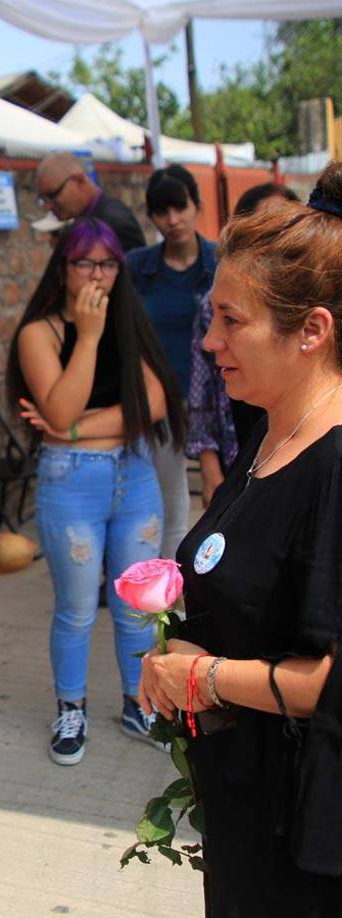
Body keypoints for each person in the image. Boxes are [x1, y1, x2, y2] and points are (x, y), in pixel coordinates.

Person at [139, 163, 342, 915]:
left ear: (311, 330)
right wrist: (170, 657)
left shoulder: (334, 465)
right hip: (243, 803)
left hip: (299, 837)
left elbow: (328, 680)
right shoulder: (268, 431)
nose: (208, 342)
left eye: (231, 320)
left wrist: (205, 678)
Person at [7, 217, 186, 765]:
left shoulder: (130, 320)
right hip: (71, 483)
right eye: (84, 262)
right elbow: (57, 407)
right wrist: (86, 338)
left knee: (136, 606)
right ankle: (72, 707)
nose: (97, 275)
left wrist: (76, 427)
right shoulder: (40, 333)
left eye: (108, 264)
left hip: (133, 477)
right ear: (62, 269)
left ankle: (138, 701)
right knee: (79, 608)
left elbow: (153, 405)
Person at [188, 183, 299, 506]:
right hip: (238, 442)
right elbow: (202, 391)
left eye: (284, 225)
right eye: (261, 227)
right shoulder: (215, 302)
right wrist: (210, 468)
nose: (214, 341)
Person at [127, 165, 206, 558]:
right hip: (161, 400)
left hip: (217, 397)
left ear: (197, 205)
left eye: (180, 207)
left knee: (225, 491)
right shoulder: (138, 268)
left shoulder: (220, 263)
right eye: (161, 211)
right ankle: (168, 597)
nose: (172, 220)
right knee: (170, 504)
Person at [35, 152, 146, 252]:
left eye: (53, 194)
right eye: (43, 199)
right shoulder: (82, 219)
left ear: (79, 181)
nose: (47, 206)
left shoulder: (115, 221)